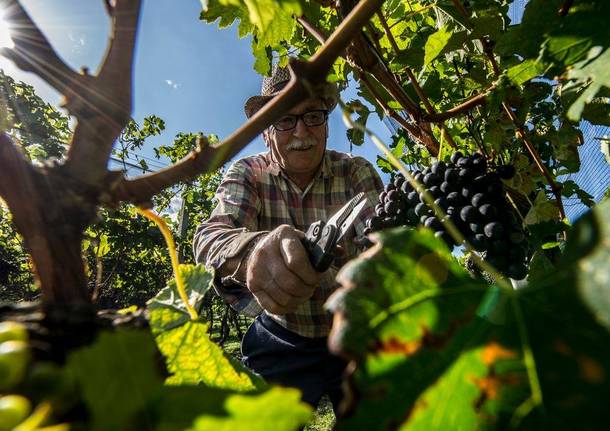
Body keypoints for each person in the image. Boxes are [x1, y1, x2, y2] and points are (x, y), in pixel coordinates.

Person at [193, 64, 383, 410]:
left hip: (358, 334)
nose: (301, 131)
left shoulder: (356, 171)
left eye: (313, 115)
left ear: (326, 124)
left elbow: (384, 238)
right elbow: (210, 238)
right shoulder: (248, 173)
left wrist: (368, 260)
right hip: (282, 336)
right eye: (284, 119)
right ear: (266, 131)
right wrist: (251, 252)